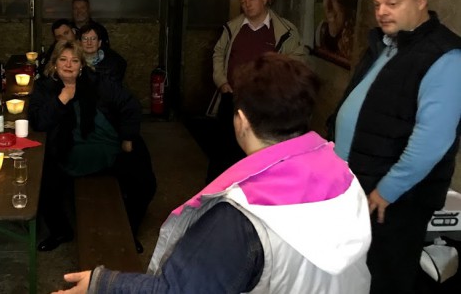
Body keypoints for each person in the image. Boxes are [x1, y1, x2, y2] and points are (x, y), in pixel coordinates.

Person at [52, 53, 371, 294]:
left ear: (241, 121)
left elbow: (175, 291)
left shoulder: (242, 216)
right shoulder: (343, 175)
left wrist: (102, 282)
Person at [330, 0, 461, 294]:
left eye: (393, 3)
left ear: (421, 2)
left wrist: (388, 190)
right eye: (377, 4)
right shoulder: (386, 43)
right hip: (359, 181)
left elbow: (432, 139)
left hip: (395, 197)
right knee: (357, 273)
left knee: (386, 276)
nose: (382, 12)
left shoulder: (446, 55)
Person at [29, 40, 156, 252]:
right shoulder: (44, 87)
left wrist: (127, 137)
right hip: (66, 149)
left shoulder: (97, 82)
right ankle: (60, 231)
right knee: (41, 182)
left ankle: (127, 231)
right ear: (54, 63)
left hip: (108, 145)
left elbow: (130, 104)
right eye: (63, 59)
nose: (68, 65)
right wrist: (62, 98)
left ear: (82, 65)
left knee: (144, 183)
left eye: (74, 60)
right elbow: (39, 122)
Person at [210, 0, 306, 179]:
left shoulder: (285, 31)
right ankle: (219, 188)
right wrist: (221, 81)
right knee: (224, 152)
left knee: (260, 153)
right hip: (233, 99)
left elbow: (297, 61)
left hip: (267, 103)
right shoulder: (233, 28)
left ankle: (254, 187)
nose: (247, 5)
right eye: (243, 1)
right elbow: (218, 53)